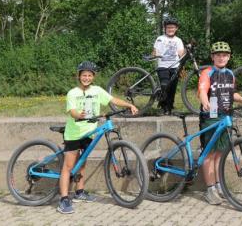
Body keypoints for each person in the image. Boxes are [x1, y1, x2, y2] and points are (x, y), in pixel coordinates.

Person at [57, 61, 138, 214]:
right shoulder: (72, 93)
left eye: (89, 75)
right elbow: (72, 111)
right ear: (79, 76)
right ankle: (63, 199)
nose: (86, 78)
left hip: (89, 133)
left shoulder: (97, 90)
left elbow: (113, 100)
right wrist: (78, 115)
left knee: (82, 163)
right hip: (74, 134)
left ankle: (79, 192)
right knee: (68, 166)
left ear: (93, 77)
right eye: (84, 75)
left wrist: (129, 105)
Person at [198, 41, 242, 205]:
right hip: (212, 112)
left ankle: (219, 185)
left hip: (226, 114)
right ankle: (210, 190)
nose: (221, 58)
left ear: (228, 57)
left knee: (220, 153)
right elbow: (202, 90)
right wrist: (205, 101)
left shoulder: (230, 74)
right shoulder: (207, 72)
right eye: (218, 55)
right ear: (213, 57)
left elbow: (231, 92)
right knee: (209, 154)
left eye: (224, 55)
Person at [152, 17, 186, 115]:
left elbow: (181, 54)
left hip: (175, 67)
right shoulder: (160, 38)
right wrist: (154, 54)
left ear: (176, 28)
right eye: (168, 27)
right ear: (165, 28)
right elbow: (155, 52)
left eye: (172, 27)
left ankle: (169, 107)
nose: (170, 29)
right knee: (165, 85)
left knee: (172, 88)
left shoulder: (178, 40)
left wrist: (182, 66)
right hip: (163, 66)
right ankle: (163, 106)